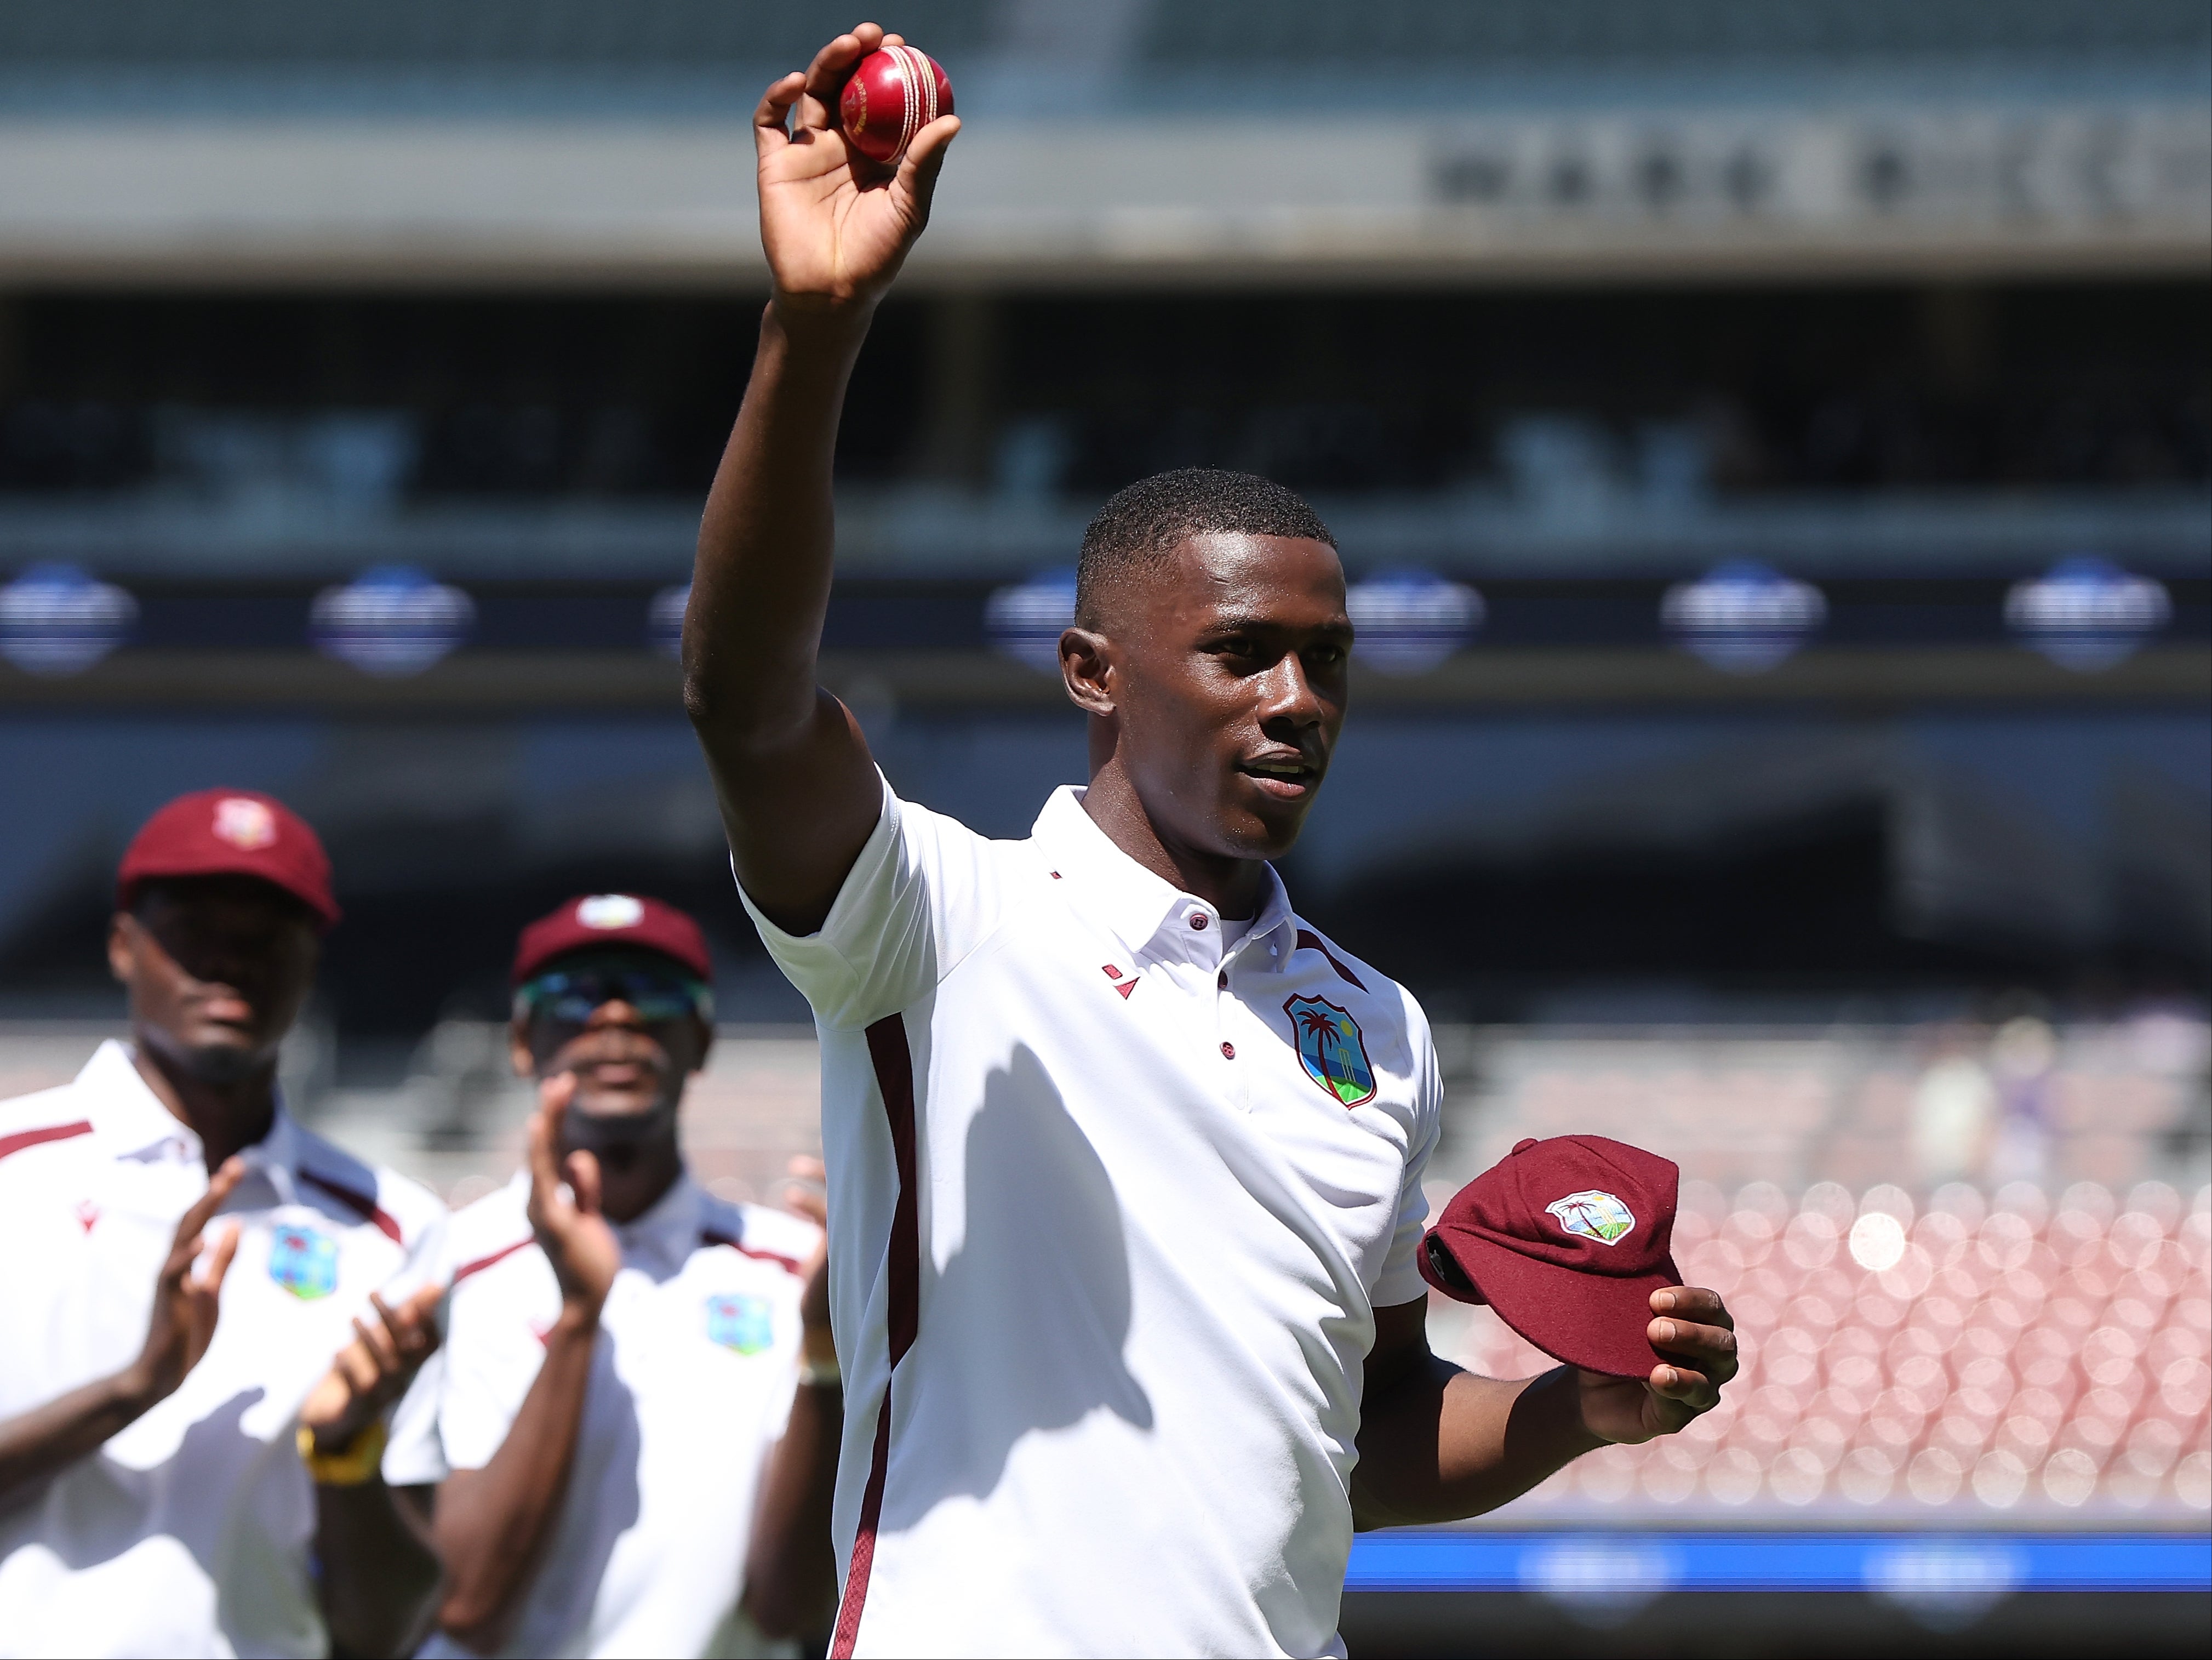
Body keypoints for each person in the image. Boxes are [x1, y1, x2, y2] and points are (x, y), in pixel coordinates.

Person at [680, 25, 1743, 1658]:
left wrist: (1570, 1413)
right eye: (1241, 651)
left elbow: (1364, 1426)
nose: (1297, 696)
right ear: (1091, 672)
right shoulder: (939, 921)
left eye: (1326, 659)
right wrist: (813, 331)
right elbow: (748, 704)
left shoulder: (1374, 1029)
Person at [0, 788, 447, 1659]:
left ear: (311, 960)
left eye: (266, 931)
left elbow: (385, 1632)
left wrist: (346, 1455)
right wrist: (138, 1385)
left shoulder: (397, 1229)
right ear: (124, 945)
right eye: (194, 925)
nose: (230, 959)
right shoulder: (11, 1166)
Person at [388, 893, 839, 1658]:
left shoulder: (796, 1272)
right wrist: (578, 1313)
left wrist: (827, 1347)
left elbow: (787, 1606)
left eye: (654, 993)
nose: (617, 1020)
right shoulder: (440, 1264)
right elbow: (461, 1601)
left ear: (701, 1041)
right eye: (577, 995)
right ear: (524, 1041)